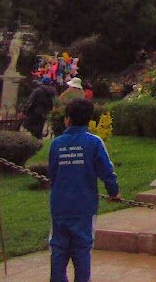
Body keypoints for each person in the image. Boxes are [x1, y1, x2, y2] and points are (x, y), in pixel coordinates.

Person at [49, 97, 120, 282]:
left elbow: (53, 173)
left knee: (58, 250)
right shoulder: (94, 143)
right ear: (89, 119)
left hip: (59, 207)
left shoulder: (56, 143)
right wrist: (114, 192)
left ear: (68, 119)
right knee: (81, 252)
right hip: (84, 208)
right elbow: (107, 171)